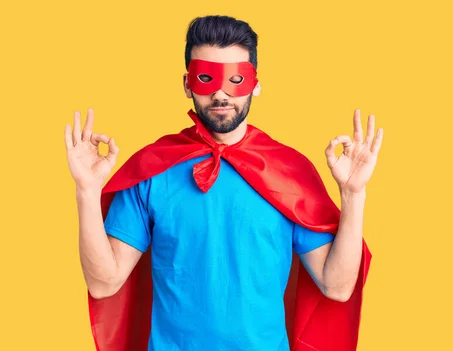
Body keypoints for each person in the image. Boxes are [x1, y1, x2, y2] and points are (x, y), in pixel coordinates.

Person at [65, 15, 383, 351]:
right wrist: (87, 190)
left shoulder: (290, 172)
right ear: (187, 84)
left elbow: (337, 286)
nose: (220, 93)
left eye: (235, 79)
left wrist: (353, 194)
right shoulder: (152, 169)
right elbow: (103, 284)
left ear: (256, 84)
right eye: (206, 78)